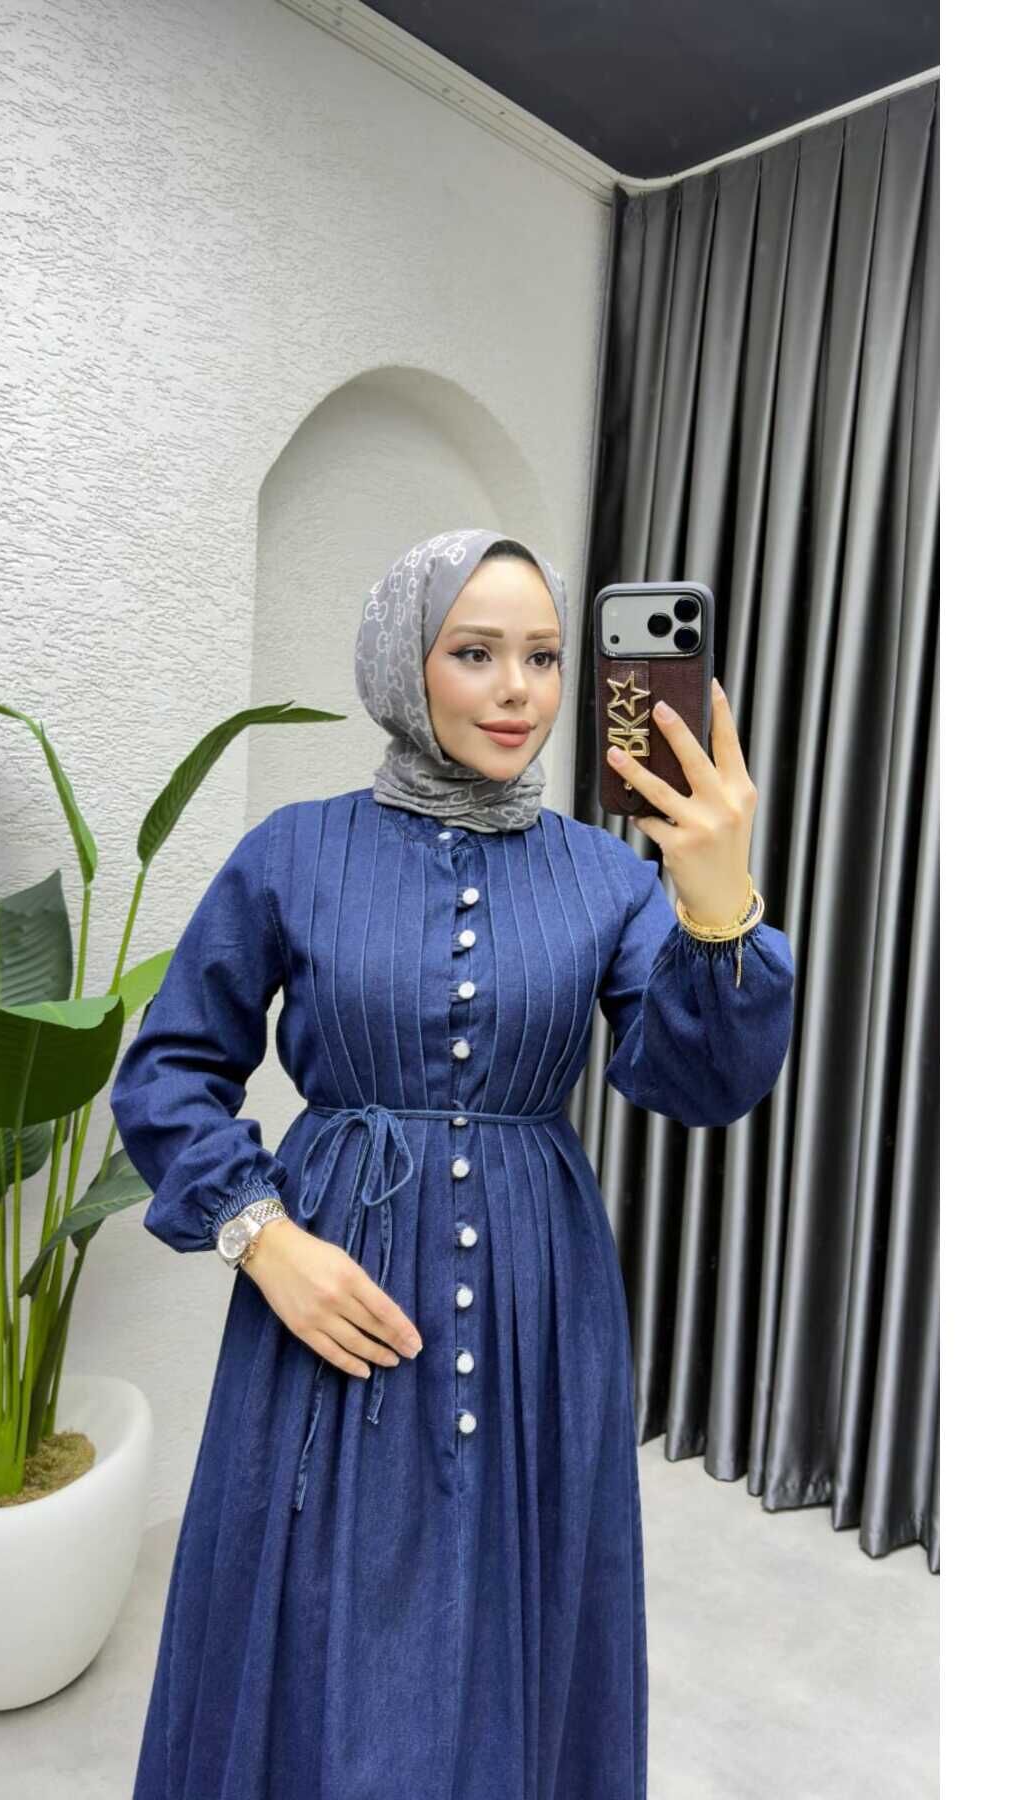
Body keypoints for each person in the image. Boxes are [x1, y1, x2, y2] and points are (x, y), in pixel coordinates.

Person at [110, 526, 795, 1800]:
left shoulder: (607, 876)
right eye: (474, 652)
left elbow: (699, 1082)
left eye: (544, 655)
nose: (518, 689)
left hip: (541, 1309)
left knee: (517, 1613)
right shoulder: (293, 852)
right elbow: (169, 1069)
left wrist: (717, 901)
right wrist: (263, 1238)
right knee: (315, 1620)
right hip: (331, 1292)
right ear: (402, 659)